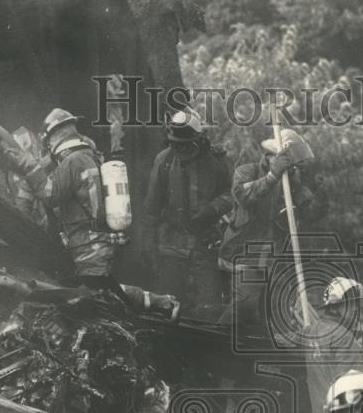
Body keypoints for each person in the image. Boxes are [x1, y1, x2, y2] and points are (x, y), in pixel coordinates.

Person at [40, 108, 178, 318]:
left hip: (90, 241)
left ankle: (160, 305)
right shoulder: (87, 156)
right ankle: (161, 303)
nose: (49, 145)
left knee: (102, 295)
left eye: (49, 139)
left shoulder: (72, 161)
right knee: (100, 289)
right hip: (94, 239)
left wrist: (27, 168)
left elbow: (51, 196)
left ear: (57, 135)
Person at [217, 129, 314, 335]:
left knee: (273, 313)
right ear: (270, 157)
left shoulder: (290, 182)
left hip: (272, 256)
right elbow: (243, 196)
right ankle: (216, 340)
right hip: (243, 253)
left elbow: (302, 215)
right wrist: (272, 176)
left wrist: (304, 197)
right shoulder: (246, 171)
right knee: (244, 305)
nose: (292, 169)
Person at [142, 109, 233, 321]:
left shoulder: (216, 161)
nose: (181, 148)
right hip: (172, 243)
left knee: (209, 307)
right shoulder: (164, 161)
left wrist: (213, 209)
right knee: (166, 304)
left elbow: (231, 194)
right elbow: (151, 207)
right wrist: (148, 243)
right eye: (176, 143)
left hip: (206, 242)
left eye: (186, 143)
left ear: (199, 139)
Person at [303, 278, 363, 413]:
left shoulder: (311, 332)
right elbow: (352, 391)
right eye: (353, 305)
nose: (357, 312)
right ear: (337, 307)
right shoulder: (345, 339)